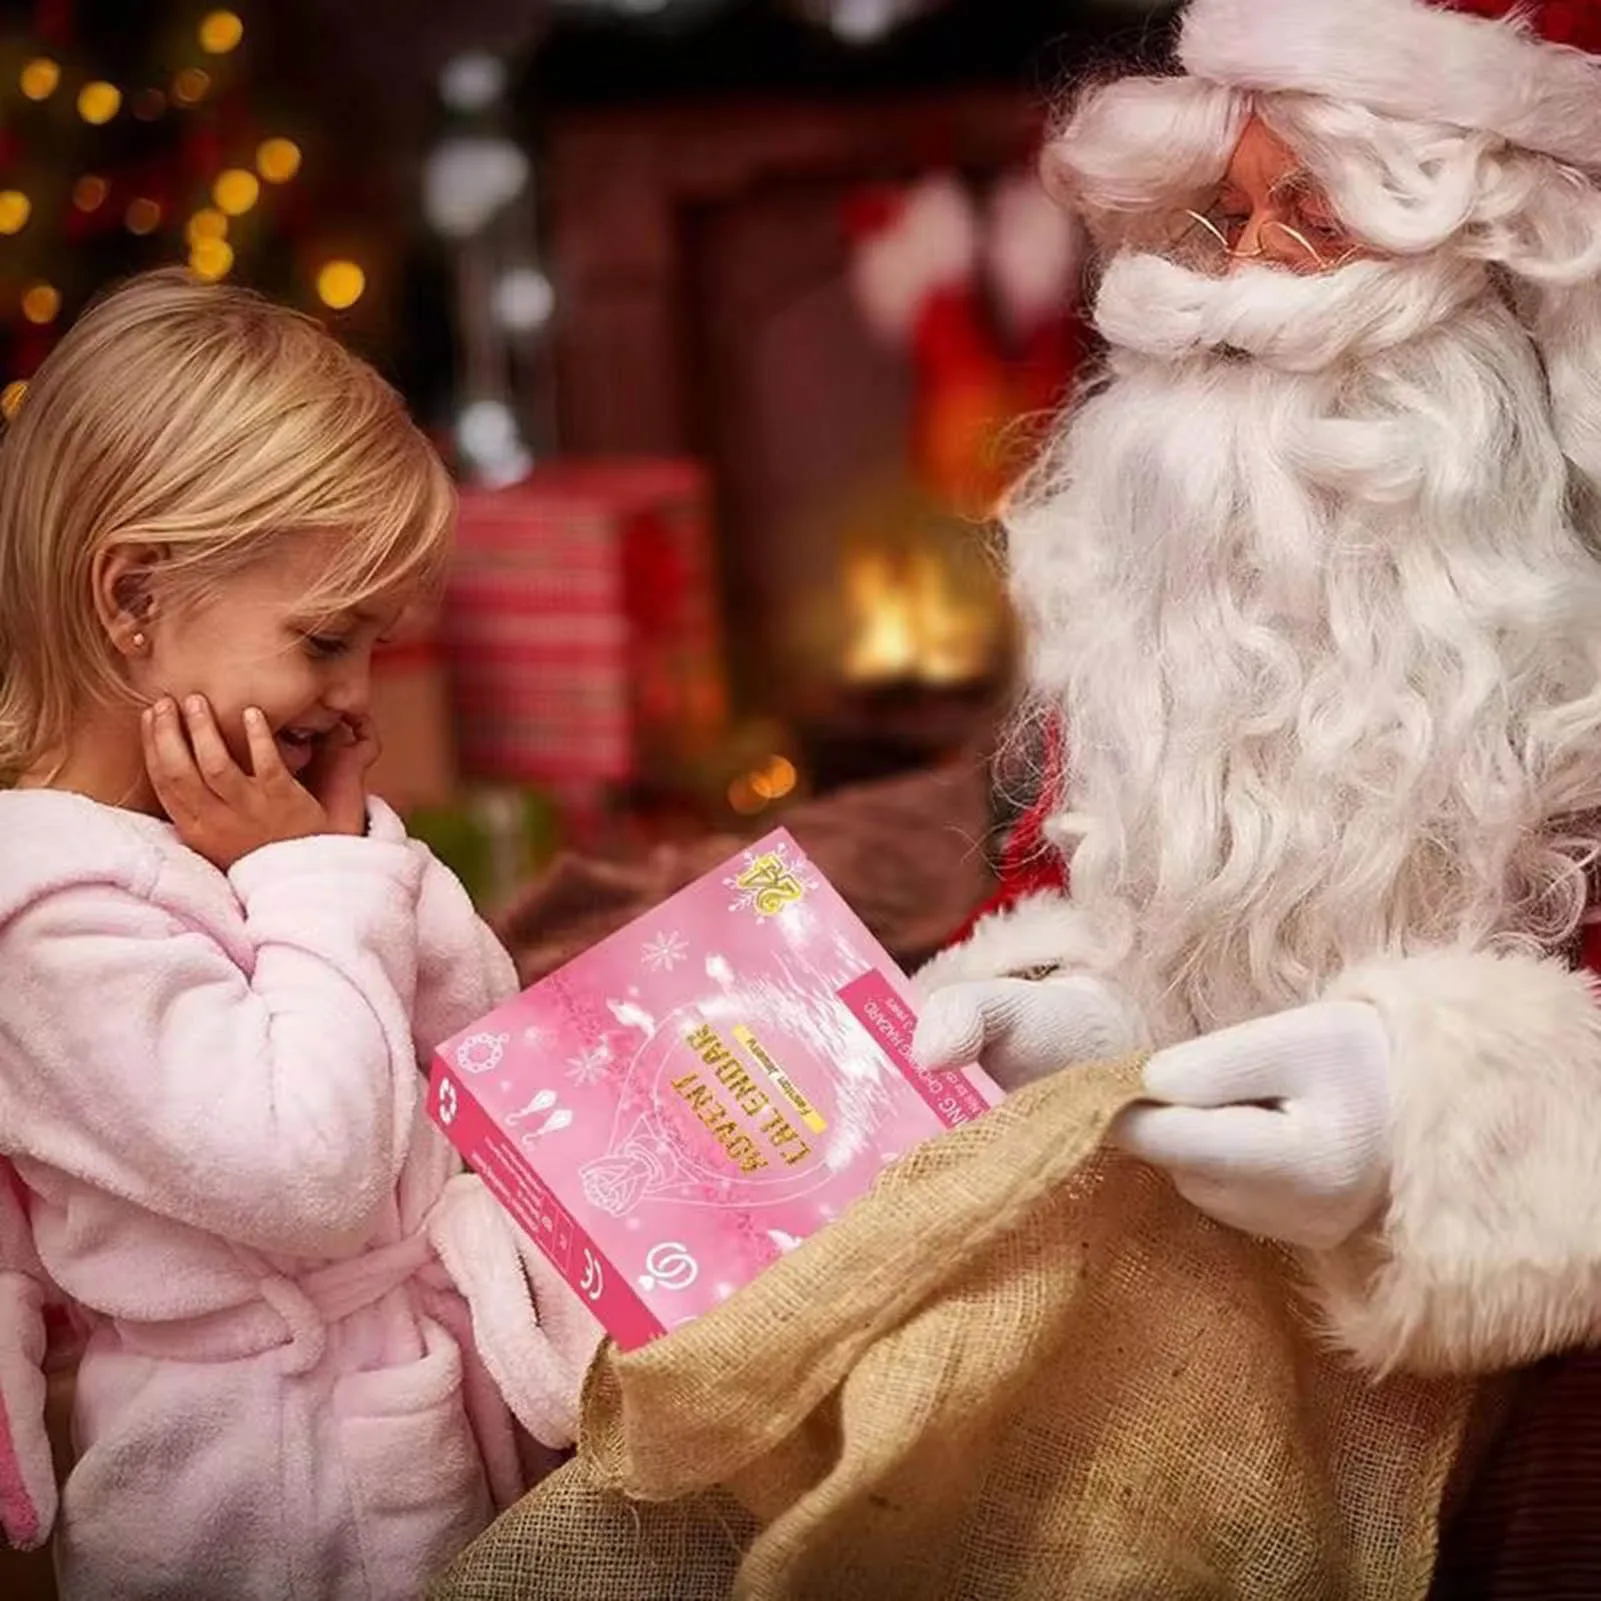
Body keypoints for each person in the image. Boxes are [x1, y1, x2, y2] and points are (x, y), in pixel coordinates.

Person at [910, 0, 1601, 1590]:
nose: (1236, 284)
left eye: (1319, 216)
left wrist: (1439, 1111)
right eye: (1227, 215)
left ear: (1516, 272)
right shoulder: (1157, 549)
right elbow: (1067, 846)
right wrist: (1074, 1006)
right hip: (1190, 1271)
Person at [0, 269, 597, 1600]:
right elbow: (311, 1173)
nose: (354, 695)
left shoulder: (242, 832)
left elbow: (476, 1053)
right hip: (256, 1502)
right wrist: (311, 874)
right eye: (326, 641)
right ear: (130, 598)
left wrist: (357, 855)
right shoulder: (46, 920)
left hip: (409, 1418)